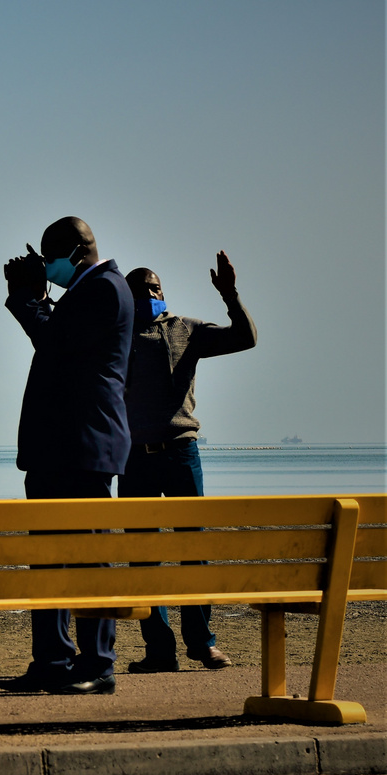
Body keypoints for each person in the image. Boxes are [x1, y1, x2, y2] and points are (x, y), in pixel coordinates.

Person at [0, 216, 134, 696]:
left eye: (51, 257)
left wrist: (25, 299)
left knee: (89, 556)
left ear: (76, 250)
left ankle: (97, 663)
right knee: (49, 557)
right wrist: (37, 298)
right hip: (64, 447)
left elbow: (54, 344)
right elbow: (62, 341)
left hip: (82, 446)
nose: (49, 267)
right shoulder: (94, 290)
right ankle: (53, 659)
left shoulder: (106, 289)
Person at [121, 253, 256, 672]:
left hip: (181, 453)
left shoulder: (188, 330)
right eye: (140, 289)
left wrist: (230, 295)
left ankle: (203, 644)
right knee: (143, 556)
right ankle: (159, 650)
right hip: (134, 459)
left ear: (165, 292)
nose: (149, 293)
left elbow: (246, 337)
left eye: (155, 287)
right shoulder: (115, 335)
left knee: (193, 552)